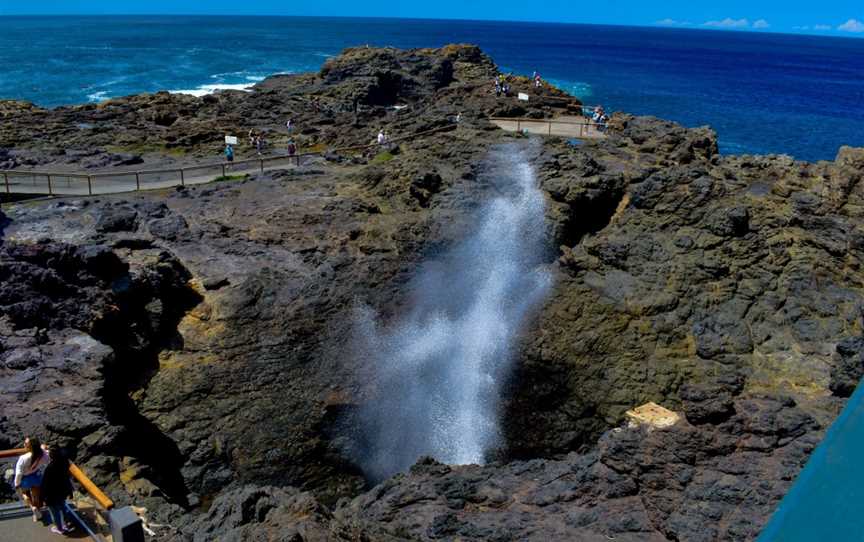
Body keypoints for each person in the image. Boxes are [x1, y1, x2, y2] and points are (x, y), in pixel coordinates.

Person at [14, 436, 50, 522]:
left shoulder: (23, 458)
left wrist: (17, 484)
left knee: (24, 493)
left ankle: (32, 507)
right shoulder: (43, 455)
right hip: (36, 477)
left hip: (25, 479)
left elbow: (19, 473)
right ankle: (37, 512)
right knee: (36, 496)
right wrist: (43, 448)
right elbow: (46, 456)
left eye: (25, 443)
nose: (24, 444)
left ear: (29, 447)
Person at [40, 448, 74, 535]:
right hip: (62, 492)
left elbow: (45, 484)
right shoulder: (64, 464)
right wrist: (70, 492)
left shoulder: (49, 468)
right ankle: (66, 524)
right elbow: (67, 479)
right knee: (62, 507)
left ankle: (59, 528)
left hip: (51, 495)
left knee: (55, 512)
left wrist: (43, 497)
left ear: (51, 457)